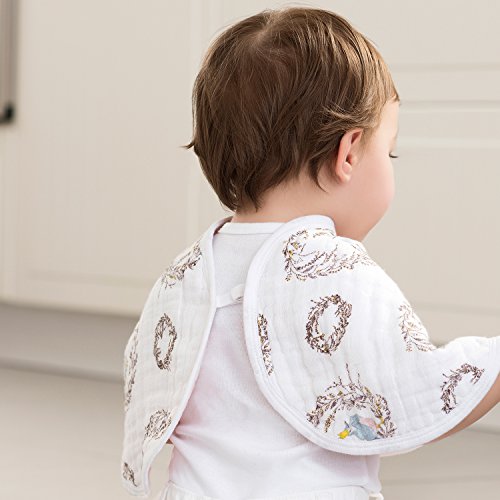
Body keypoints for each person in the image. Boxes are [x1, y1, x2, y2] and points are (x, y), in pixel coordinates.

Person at [121, 6, 500, 500]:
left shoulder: (184, 277)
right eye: (389, 152)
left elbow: (154, 396)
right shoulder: (334, 271)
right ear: (349, 153)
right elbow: (414, 389)